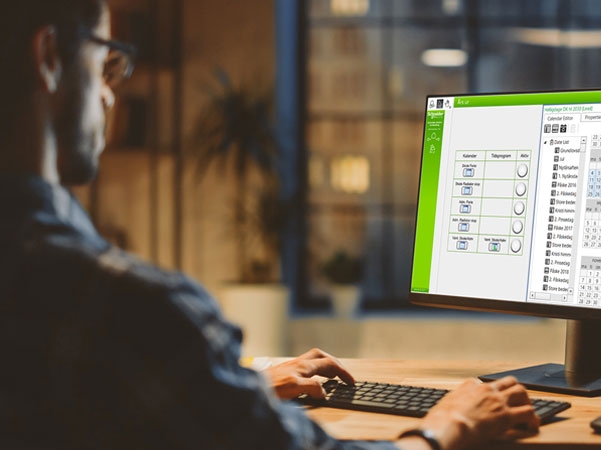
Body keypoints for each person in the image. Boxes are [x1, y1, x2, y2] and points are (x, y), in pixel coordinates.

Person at [0, 1, 539, 449]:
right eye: (105, 62)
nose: (109, 93)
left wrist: (233, 387)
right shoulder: (133, 310)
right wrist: (450, 425)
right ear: (48, 57)